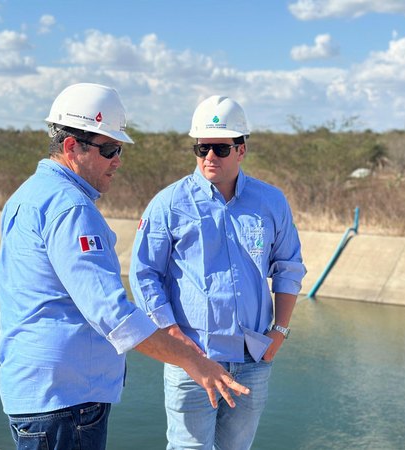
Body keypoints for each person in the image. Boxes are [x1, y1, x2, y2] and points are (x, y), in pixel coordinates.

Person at [0, 83, 249, 450]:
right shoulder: (72, 209)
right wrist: (195, 363)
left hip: (34, 392)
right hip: (66, 400)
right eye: (110, 149)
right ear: (71, 147)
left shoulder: (27, 196)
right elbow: (112, 314)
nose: (118, 160)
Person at [129, 95, 307, 449]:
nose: (209, 156)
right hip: (193, 360)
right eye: (202, 147)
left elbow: (288, 267)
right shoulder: (168, 203)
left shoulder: (271, 201)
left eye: (220, 149)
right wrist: (173, 336)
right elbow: (144, 273)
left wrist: (280, 332)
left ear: (241, 150)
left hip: (253, 358)